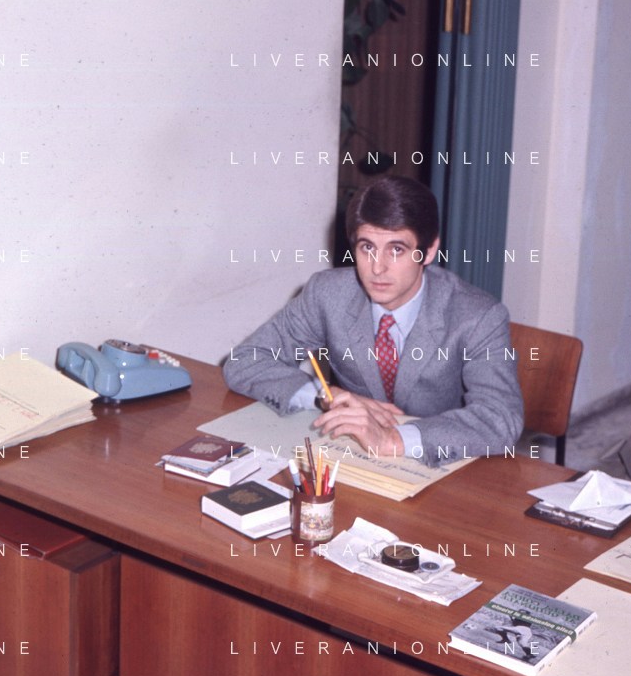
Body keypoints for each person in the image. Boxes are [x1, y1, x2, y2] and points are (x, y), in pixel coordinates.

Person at [222, 176, 524, 465]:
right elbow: (244, 361)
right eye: (367, 247)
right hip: (351, 460)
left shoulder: (477, 316)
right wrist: (327, 396)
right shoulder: (327, 294)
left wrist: (392, 439)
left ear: (429, 251)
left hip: (438, 465)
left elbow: (501, 417)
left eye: (396, 250)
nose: (377, 268)